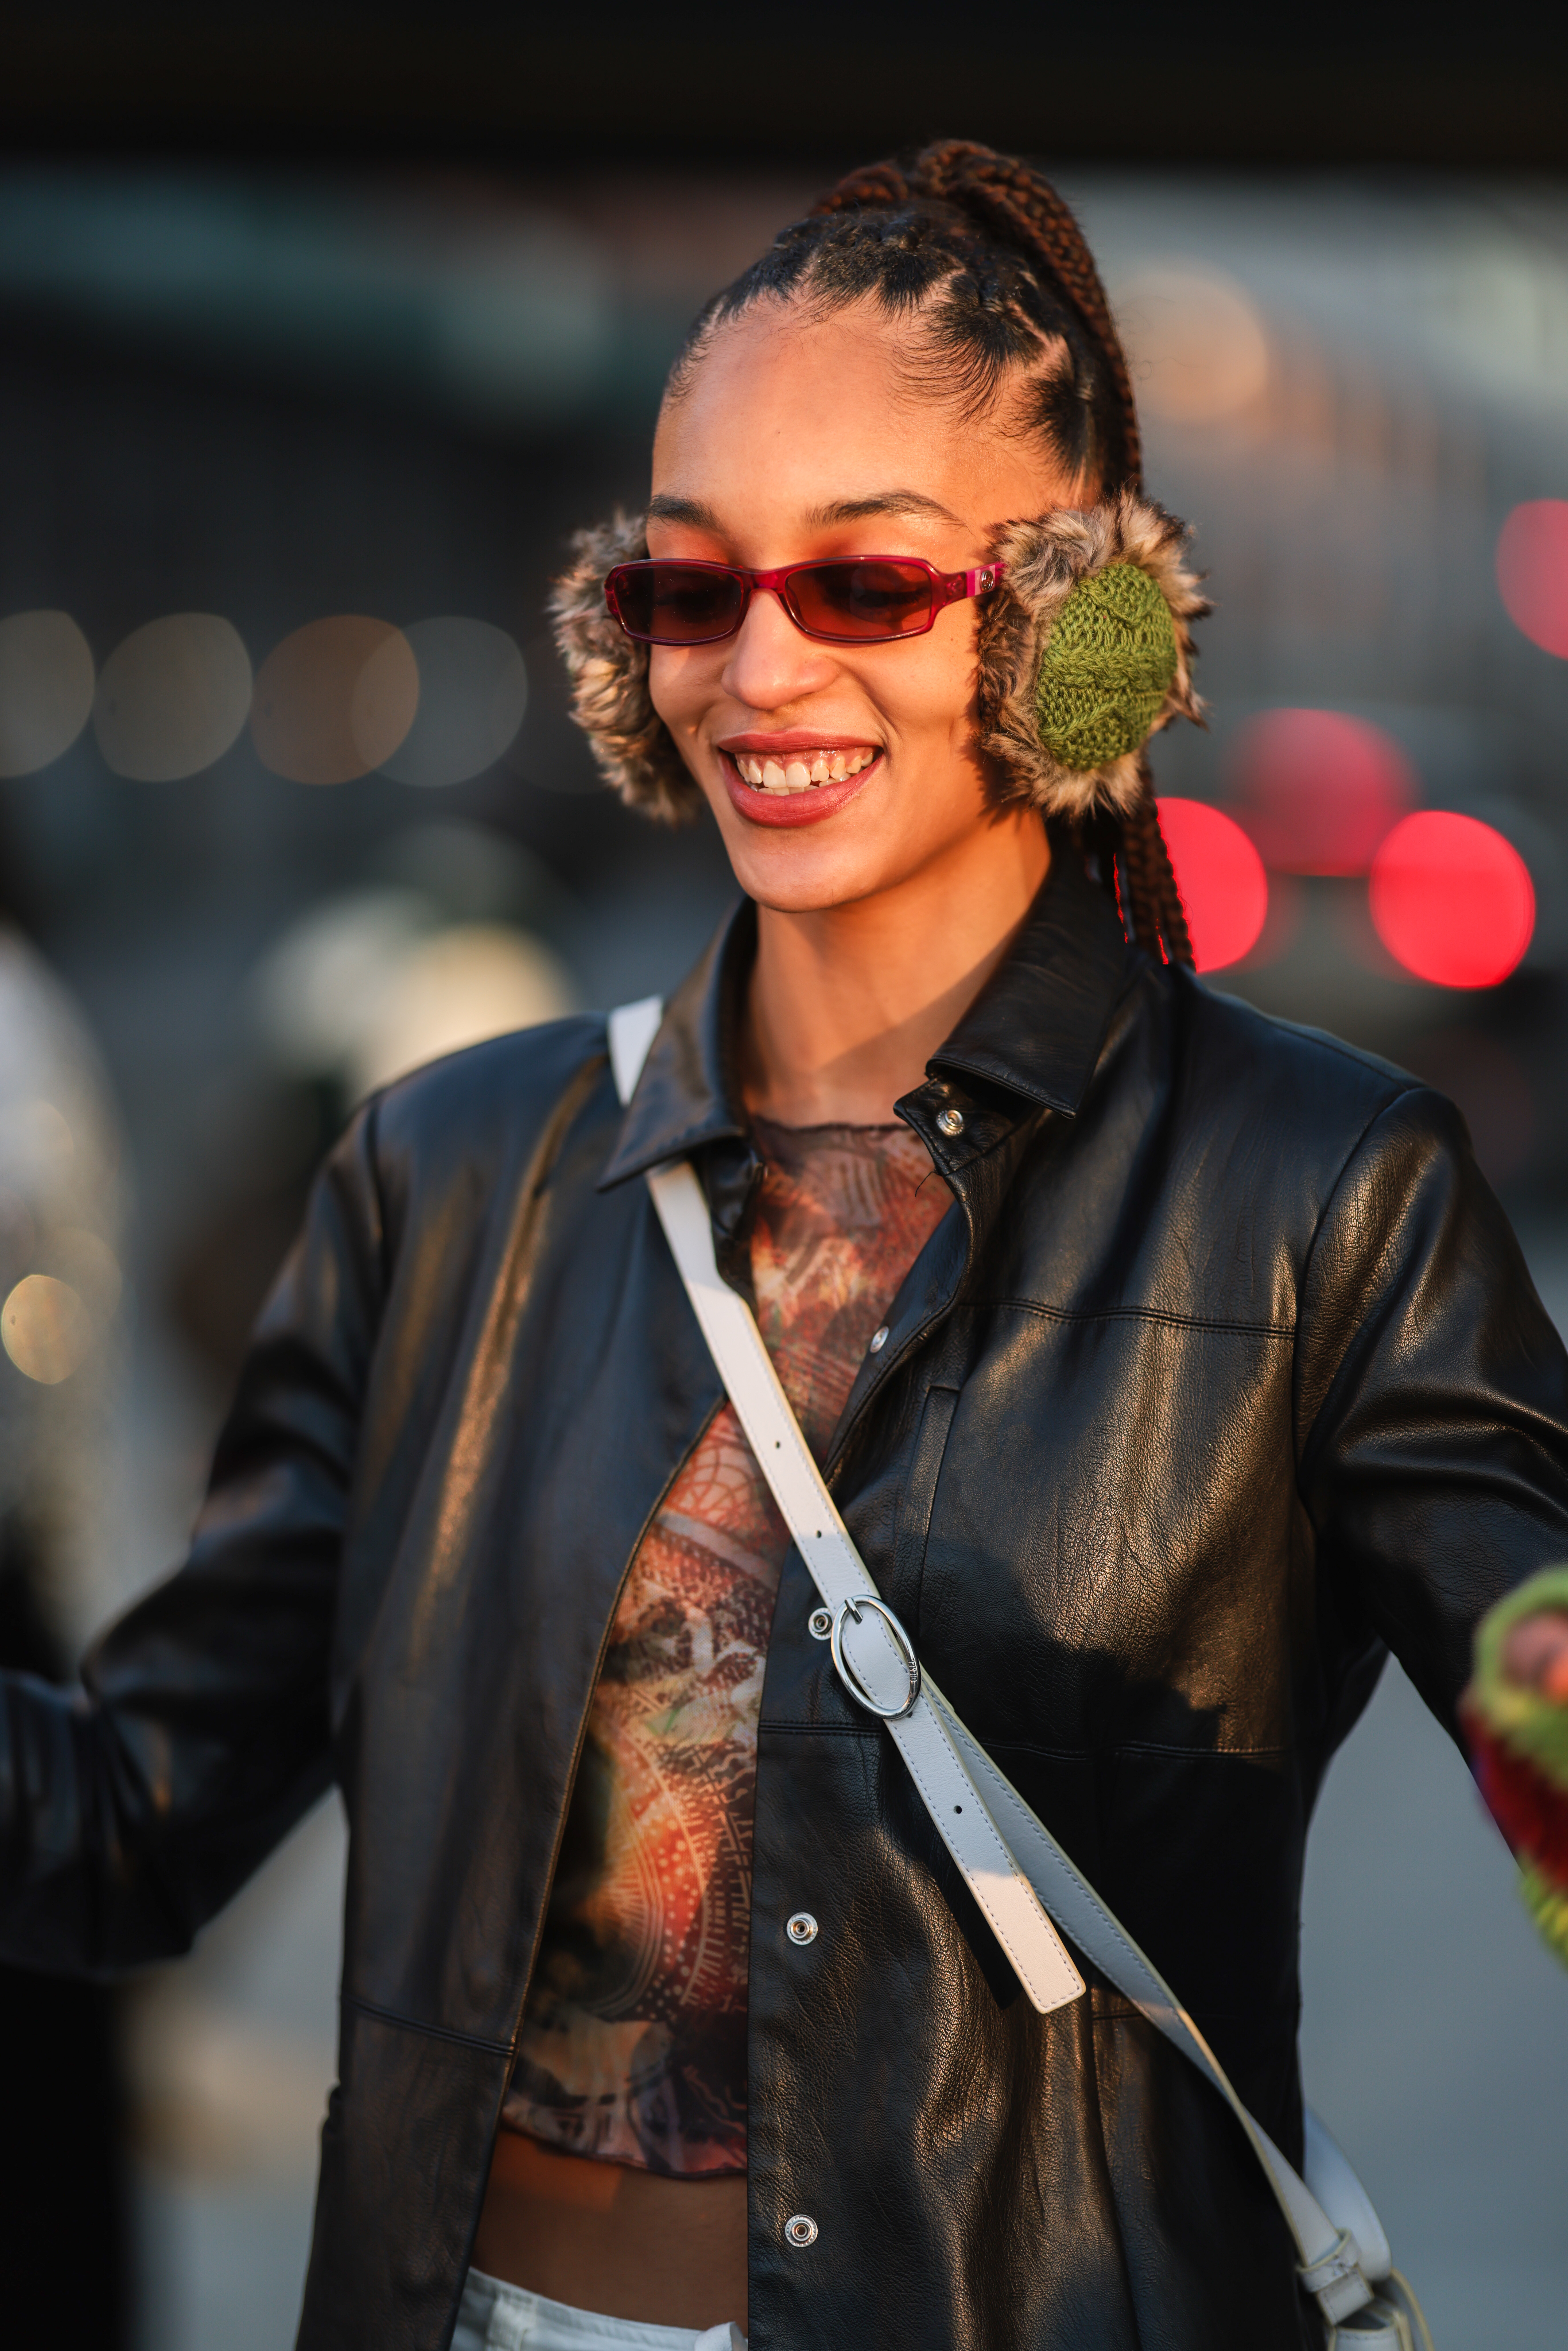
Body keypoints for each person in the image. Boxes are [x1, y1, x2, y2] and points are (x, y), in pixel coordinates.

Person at [3, 138, 1567, 2351]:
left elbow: (1544, 1672)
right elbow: (127, 1822)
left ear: (1072, 625)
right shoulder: (443, 1177)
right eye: (686, 587)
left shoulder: (1320, 1195)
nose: (754, 669)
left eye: (862, 587)